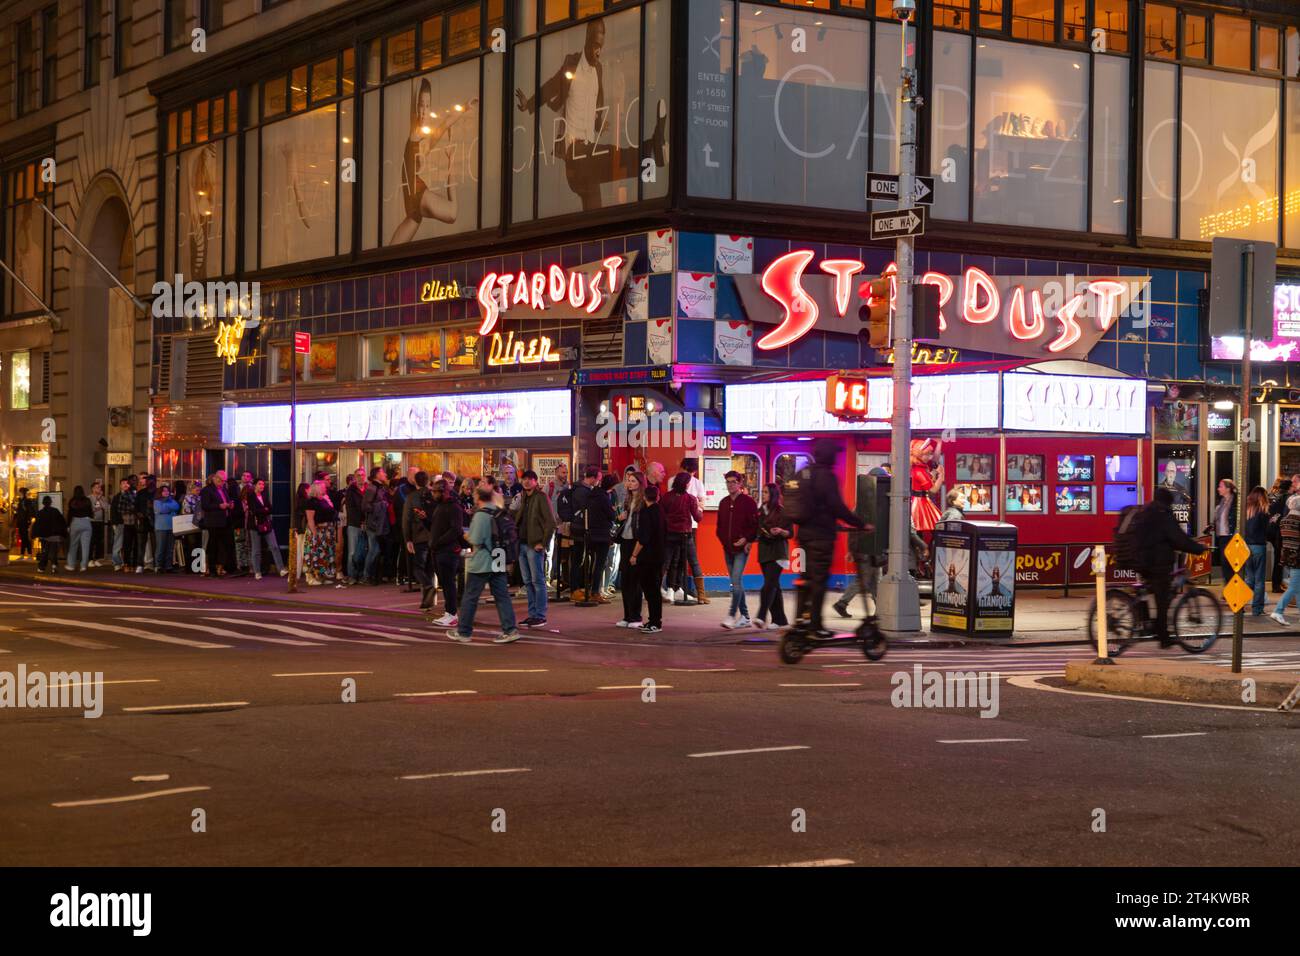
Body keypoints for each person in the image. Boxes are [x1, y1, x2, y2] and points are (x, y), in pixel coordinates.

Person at [513, 16, 668, 212]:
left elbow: (593, 104)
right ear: (587, 41)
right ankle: (652, 150)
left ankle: (653, 152)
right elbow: (552, 85)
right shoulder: (572, 65)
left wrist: (598, 123)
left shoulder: (599, 70)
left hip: (589, 156)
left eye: (601, 46)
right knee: (612, 156)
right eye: (595, 45)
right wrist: (530, 104)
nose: (598, 51)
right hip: (574, 154)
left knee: (595, 214)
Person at [794, 439, 867, 638]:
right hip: (821, 538)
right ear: (829, 455)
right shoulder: (827, 477)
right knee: (819, 580)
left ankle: (800, 621)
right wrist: (860, 524)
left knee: (805, 579)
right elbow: (838, 507)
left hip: (803, 537)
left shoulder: (803, 474)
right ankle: (815, 626)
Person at [1135, 487, 1209, 646]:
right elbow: (1179, 539)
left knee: (1157, 595)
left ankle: (1153, 627)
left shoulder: (1147, 511)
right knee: (1163, 601)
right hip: (1158, 565)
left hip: (1143, 562)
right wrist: (1198, 548)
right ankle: (1163, 637)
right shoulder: (1164, 515)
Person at [447, 487, 521, 644]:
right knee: (502, 596)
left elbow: (476, 539)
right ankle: (510, 629)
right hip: (499, 556)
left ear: (478, 498)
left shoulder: (481, 515)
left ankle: (464, 631)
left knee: (470, 597)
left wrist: (467, 535)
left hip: (482, 560)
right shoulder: (500, 511)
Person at [716, 470, 760, 628]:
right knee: (736, 582)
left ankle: (731, 615)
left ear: (740, 483)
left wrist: (747, 539)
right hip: (727, 549)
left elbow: (755, 525)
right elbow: (719, 527)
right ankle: (746, 616)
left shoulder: (749, 502)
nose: (730, 485)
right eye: (728, 482)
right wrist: (723, 542)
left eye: (733, 481)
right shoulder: (723, 502)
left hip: (742, 549)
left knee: (735, 581)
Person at [516, 469, 556, 628]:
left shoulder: (541, 497)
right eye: (524, 479)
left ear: (535, 481)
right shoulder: (524, 498)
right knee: (528, 582)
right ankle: (532, 614)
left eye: (529, 479)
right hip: (523, 544)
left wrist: (543, 543)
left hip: (534, 545)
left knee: (537, 581)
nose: (526, 481)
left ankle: (540, 615)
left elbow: (551, 522)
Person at [629, 484, 667, 633]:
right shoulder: (661, 511)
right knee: (655, 590)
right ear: (657, 497)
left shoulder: (646, 513)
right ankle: (654, 620)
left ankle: (655, 623)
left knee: (650, 591)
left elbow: (643, 538)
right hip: (659, 556)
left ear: (644, 497)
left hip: (647, 557)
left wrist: (634, 555)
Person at [755, 482, 792, 630]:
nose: (763, 494)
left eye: (766, 492)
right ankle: (780, 620)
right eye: (762, 492)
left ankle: (761, 615)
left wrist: (781, 531)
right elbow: (757, 529)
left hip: (778, 553)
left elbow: (790, 533)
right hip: (764, 552)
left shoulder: (782, 511)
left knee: (769, 586)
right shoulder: (760, 511)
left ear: (773, 495)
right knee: (774, 586)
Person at [662, 472, 702, 605]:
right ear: (686, 484)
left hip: (669, 535)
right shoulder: (690, 498)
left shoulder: (666, 497)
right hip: (685, 535)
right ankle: (701, 595)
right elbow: (697, 517)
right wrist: (700, 509)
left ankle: (668, 590)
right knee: (694, 562)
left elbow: (661, 516)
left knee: (668, 563)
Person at [428, 478, 464, 627]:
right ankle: (449, 612)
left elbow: (455, 530)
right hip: (439, 550)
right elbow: (438, 527)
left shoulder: (453, 507)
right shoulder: (440, 507)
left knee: (449, 583)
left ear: (443, 492)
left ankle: (452, 613)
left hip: (447, 551)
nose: (433, 494)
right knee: (445, 583)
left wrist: (438, 541)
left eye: (435, 492)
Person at [615, 471, 645, 626]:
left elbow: (644, 525)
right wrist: (620, 518)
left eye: (633, 481)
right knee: (626, 580)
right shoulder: (627, 499)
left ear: (640, 482)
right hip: (625, 541)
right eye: (628, 480)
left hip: (636, 542)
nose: (629, 483)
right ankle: (627, 616)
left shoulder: (644, 501)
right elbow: (624, 522)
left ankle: (636, 617)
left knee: (635, 581)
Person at [403, 470, 436, 606]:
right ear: (428, 482)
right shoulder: (433, 495)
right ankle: (427, 601)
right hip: (432, 536)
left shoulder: (411, 497)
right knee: (430, 569)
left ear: (415, 482)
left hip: (419, 536)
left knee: (417, 567)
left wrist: (408, 539)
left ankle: (428, 588)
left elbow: (406, 520)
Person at [247, 478, 287, 579]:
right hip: (255, 525)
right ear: (255, 485)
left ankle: (281, 569)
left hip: (266, 523)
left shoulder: (264, 496)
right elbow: (254, 510)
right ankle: (257, 571)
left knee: (274, 546)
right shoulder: (251, 496)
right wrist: (264, 510)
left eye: (263, 484)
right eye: (260, 484)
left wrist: (264, 510)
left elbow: (270, 509)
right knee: (256, 549)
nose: (262, 486)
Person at [200, 470, 236, 577]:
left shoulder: (224, 489)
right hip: (214, 522)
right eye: (221, 480)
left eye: (224, 481)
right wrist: (219, 506)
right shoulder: (207, 490)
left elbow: (226, 500)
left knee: (228, 544)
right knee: (213, 545)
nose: (223, 483)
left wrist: (230, 504)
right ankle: (212, 569)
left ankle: (227, 567)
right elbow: (205, 506)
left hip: (225, 520)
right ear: (215, 478)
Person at [1270, 494, 1300, 625]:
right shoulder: (1299, 520)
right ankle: (1278, 611)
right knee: (1294, 586)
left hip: (1288, 557)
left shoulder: (1284, 520)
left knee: (1297, 586)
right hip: (1298, 557)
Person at [303, 480, 338, 586]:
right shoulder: (311, 501)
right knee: (314, 553)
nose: (325, 488)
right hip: (317, 530)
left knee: (324, 555)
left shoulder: (323, 499)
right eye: (323, 487)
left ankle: (321, 576)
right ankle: (310, 576)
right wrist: (314, 535)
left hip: (326, 531)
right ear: (317, 488)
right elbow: (310, 519)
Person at [1204, 478, 1238, 584]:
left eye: (1220, 486)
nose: (1218, 489)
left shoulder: (1236, 502)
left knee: (1230, 563)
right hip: (1222, 536)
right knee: (1224, 563)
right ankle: (1229, 588)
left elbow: (1236, 519)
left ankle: (1232, 589)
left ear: (1228, 489)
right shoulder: (1222, 502)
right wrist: (1212, 526)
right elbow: (1221, 520)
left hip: (1232, 536)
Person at [361, 467, 391, 585]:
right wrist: (381, 505)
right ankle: (367, 576)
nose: (385, 474)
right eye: (383, 472)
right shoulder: (372, 488)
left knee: (376, 551)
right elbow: (365, 506)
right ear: (377, 474)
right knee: (374, 550)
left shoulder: (380, 487)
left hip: (379, 524)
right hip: (374, 524)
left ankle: (372, 575)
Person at [1244, 486, 1269, 616]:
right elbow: (1267, 530)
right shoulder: (1263, 511)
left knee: (1249, 579)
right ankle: (1257, 609)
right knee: (1259, 580)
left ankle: (1238, 602)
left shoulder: (1246, 510)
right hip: (1259, 546)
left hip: (1246, 547)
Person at [344, 467, 370, 585]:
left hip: (368, 524)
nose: (361, 477)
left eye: (362, 475)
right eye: (358, 475)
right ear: (354, 478)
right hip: (354, 524)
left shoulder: (368, 489)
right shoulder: (351, 491)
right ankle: (352, 575)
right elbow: (351, 509)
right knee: (353, 552)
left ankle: (361, 574)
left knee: (364, 551)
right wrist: (361, 521)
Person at [32, 495, 67, 572]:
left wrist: (34, 534)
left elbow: (37, 524)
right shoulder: (55, 511)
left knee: (45, 551)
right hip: (54, 536)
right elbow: (62, 522)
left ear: (43, 503)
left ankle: (41, 567)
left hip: (44, 536)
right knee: (53, 551)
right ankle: (54, 566)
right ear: (51, 502)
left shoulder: (40, 513)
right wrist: (63, 533)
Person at [1267, 476, 1289, 594]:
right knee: (1279, 557)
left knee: (1278, 556)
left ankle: (1278, 582)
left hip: (1268, 528)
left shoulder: (1270, 495)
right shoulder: (1284, 497)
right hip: (1276, 530)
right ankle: (1276, 584)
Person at [64, 486, 94, 572]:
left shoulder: (72, 501)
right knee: (85, 546)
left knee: (73, 545)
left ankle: (71, 565)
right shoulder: (87, 500)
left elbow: (69, 514)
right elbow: (91, 513)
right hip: (86, 522)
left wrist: (68, 526)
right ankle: (83, 566)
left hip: (75, 522)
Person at [152, 484, 180, 573]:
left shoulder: (172, 500)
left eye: (167, 490)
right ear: (160, 492)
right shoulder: (156, 501)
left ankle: (168, 566)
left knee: (170, 548)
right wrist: (170, 509)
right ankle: (158, 566)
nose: (166, 492)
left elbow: (177, 507)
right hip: (161, 528)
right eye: (164, 491)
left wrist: (167, 507)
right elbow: (160, 510)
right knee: (160, 548)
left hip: (171, 527)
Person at [111, 477, 138, 571]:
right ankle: (117, 562)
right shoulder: (118, 496)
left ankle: (125, 563)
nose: (126, 485)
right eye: (123, 483)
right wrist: (114, 523)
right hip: (120, 523)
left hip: (130, 523)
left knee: (128, 544)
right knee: (118, 544)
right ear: (120, 485)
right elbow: (114, 510)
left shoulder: (134, 494)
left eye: (127, 483)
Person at [89, 479, 108, 567]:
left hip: (100, 521)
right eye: (97, 487)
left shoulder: (102, 498)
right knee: (91, 541)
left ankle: (96, 559)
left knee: (99, 541)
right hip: (92, 521)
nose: (99, 489)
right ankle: (89, 559)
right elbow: (92, 509)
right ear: (92, 489)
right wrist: (98, 503)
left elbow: (106, 507)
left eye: (99, 487)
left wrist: (100, 499)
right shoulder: (89, 498)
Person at [14, 488, 36, 560]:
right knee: (23, 538)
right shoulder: (21, 501)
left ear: (23, 493)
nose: (19, 494)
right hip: (21, 522)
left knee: (27, 538)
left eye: (20, 493)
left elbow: (29, 511)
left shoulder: (27, 501)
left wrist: (29, 521)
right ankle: (22, 554)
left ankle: (29, 555)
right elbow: (20, 511)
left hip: (25, 522)